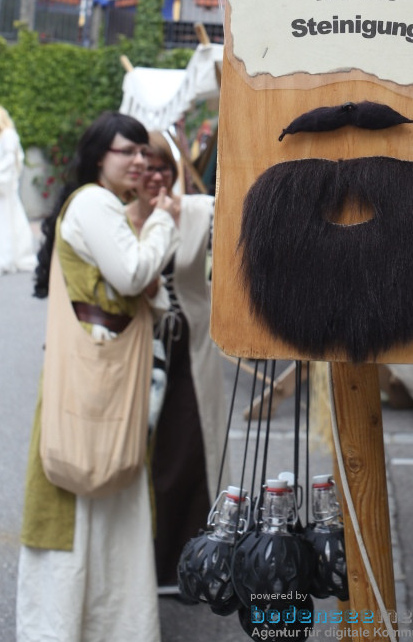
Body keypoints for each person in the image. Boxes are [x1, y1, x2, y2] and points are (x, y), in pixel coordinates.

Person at [17, 112, 180, 642]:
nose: (138, 161)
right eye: (125, 152)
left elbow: (147, 292)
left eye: (142, 152)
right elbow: (134, 274)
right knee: (89, 497)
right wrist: (161, 222)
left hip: (98, 379)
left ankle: (91, 626)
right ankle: (76, 628)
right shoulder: (93, 203)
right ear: (97, 157)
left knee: (104, 501)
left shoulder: (106, 206)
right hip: (94, 382)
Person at [126, 130, 228, 593]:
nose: (155, 176)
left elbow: (239, 216)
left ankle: (192, 560)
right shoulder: (121, 221)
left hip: (190, 345)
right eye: (145, 167)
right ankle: (141, 560)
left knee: (189, 448)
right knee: (141, 453)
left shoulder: (198, 212)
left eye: (163, 166)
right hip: (139, 351)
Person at [0, 106, 36, 274]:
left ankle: (7, 258)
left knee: (7, 220)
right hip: (4, 184)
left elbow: (11, 160)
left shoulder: (8, 136)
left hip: (5, 186)